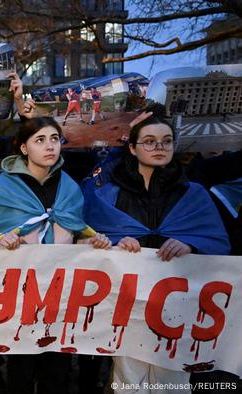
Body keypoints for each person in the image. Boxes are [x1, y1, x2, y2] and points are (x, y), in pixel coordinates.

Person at [82, 107, 230, 393]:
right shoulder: (109, 192)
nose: (159, 147)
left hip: (179, 301)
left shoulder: (193, 192)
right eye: (149, 141)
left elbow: (217, 242)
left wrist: (191, 244)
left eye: (166, 141)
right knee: (128, 377)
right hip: (127, 301)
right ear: (133, 149)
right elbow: (91, 236)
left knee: (173, 377)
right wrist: (114, 244)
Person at [0, 116, 111, 394]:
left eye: (54, 139)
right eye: (40, 140)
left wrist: (93, 242)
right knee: (20, 372)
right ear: (23, 148)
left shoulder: (70, 187)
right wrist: (2, 240)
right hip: (20, 298)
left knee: (57, 372)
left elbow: (77, 231)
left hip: (60, 299)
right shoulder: (6, 187)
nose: (49, 146)